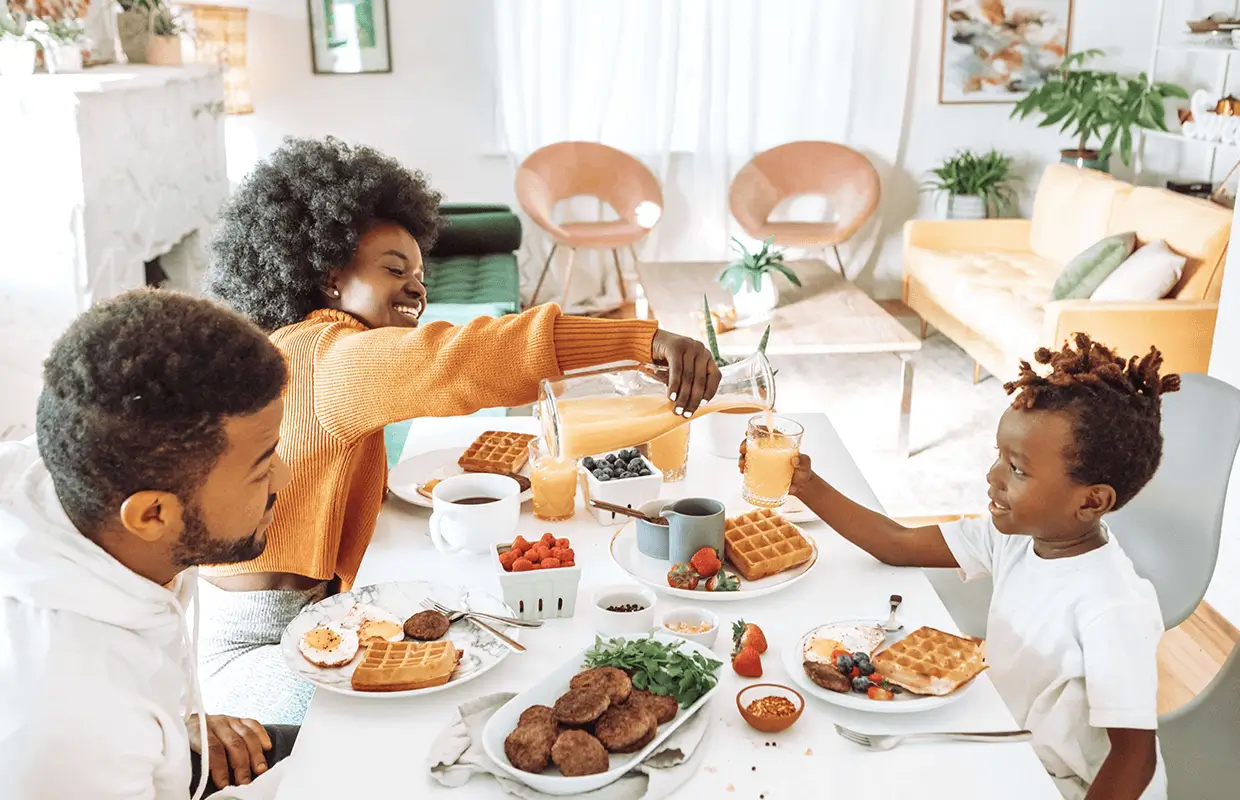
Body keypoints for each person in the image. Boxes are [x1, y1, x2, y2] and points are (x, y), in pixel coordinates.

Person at [199, 135, 724, 725]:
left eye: (421, 275)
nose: (419, 288)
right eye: (394, 269)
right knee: (454, 707)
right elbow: (464, 358)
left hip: (310, 618)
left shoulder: (305, 348)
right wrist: (637, 340)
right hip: (260, 652)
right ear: (326, 279)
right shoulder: (334, 358)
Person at [752, 333, 1174, 800]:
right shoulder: (1017, 538)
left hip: (1067, 786)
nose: (992, 476)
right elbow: (899, 544)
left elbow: (1134, 757)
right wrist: (805, 485)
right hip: (1002, 740)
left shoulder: (1113, 607)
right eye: (999, 456)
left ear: (1092, 500)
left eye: (1017, 469)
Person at [0, 289, 298, 799]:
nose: (284, 478)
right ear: (153, 514)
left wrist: (171, 724)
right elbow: (85, 735)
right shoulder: (74, 725)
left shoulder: (83, 475)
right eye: (261, 465)